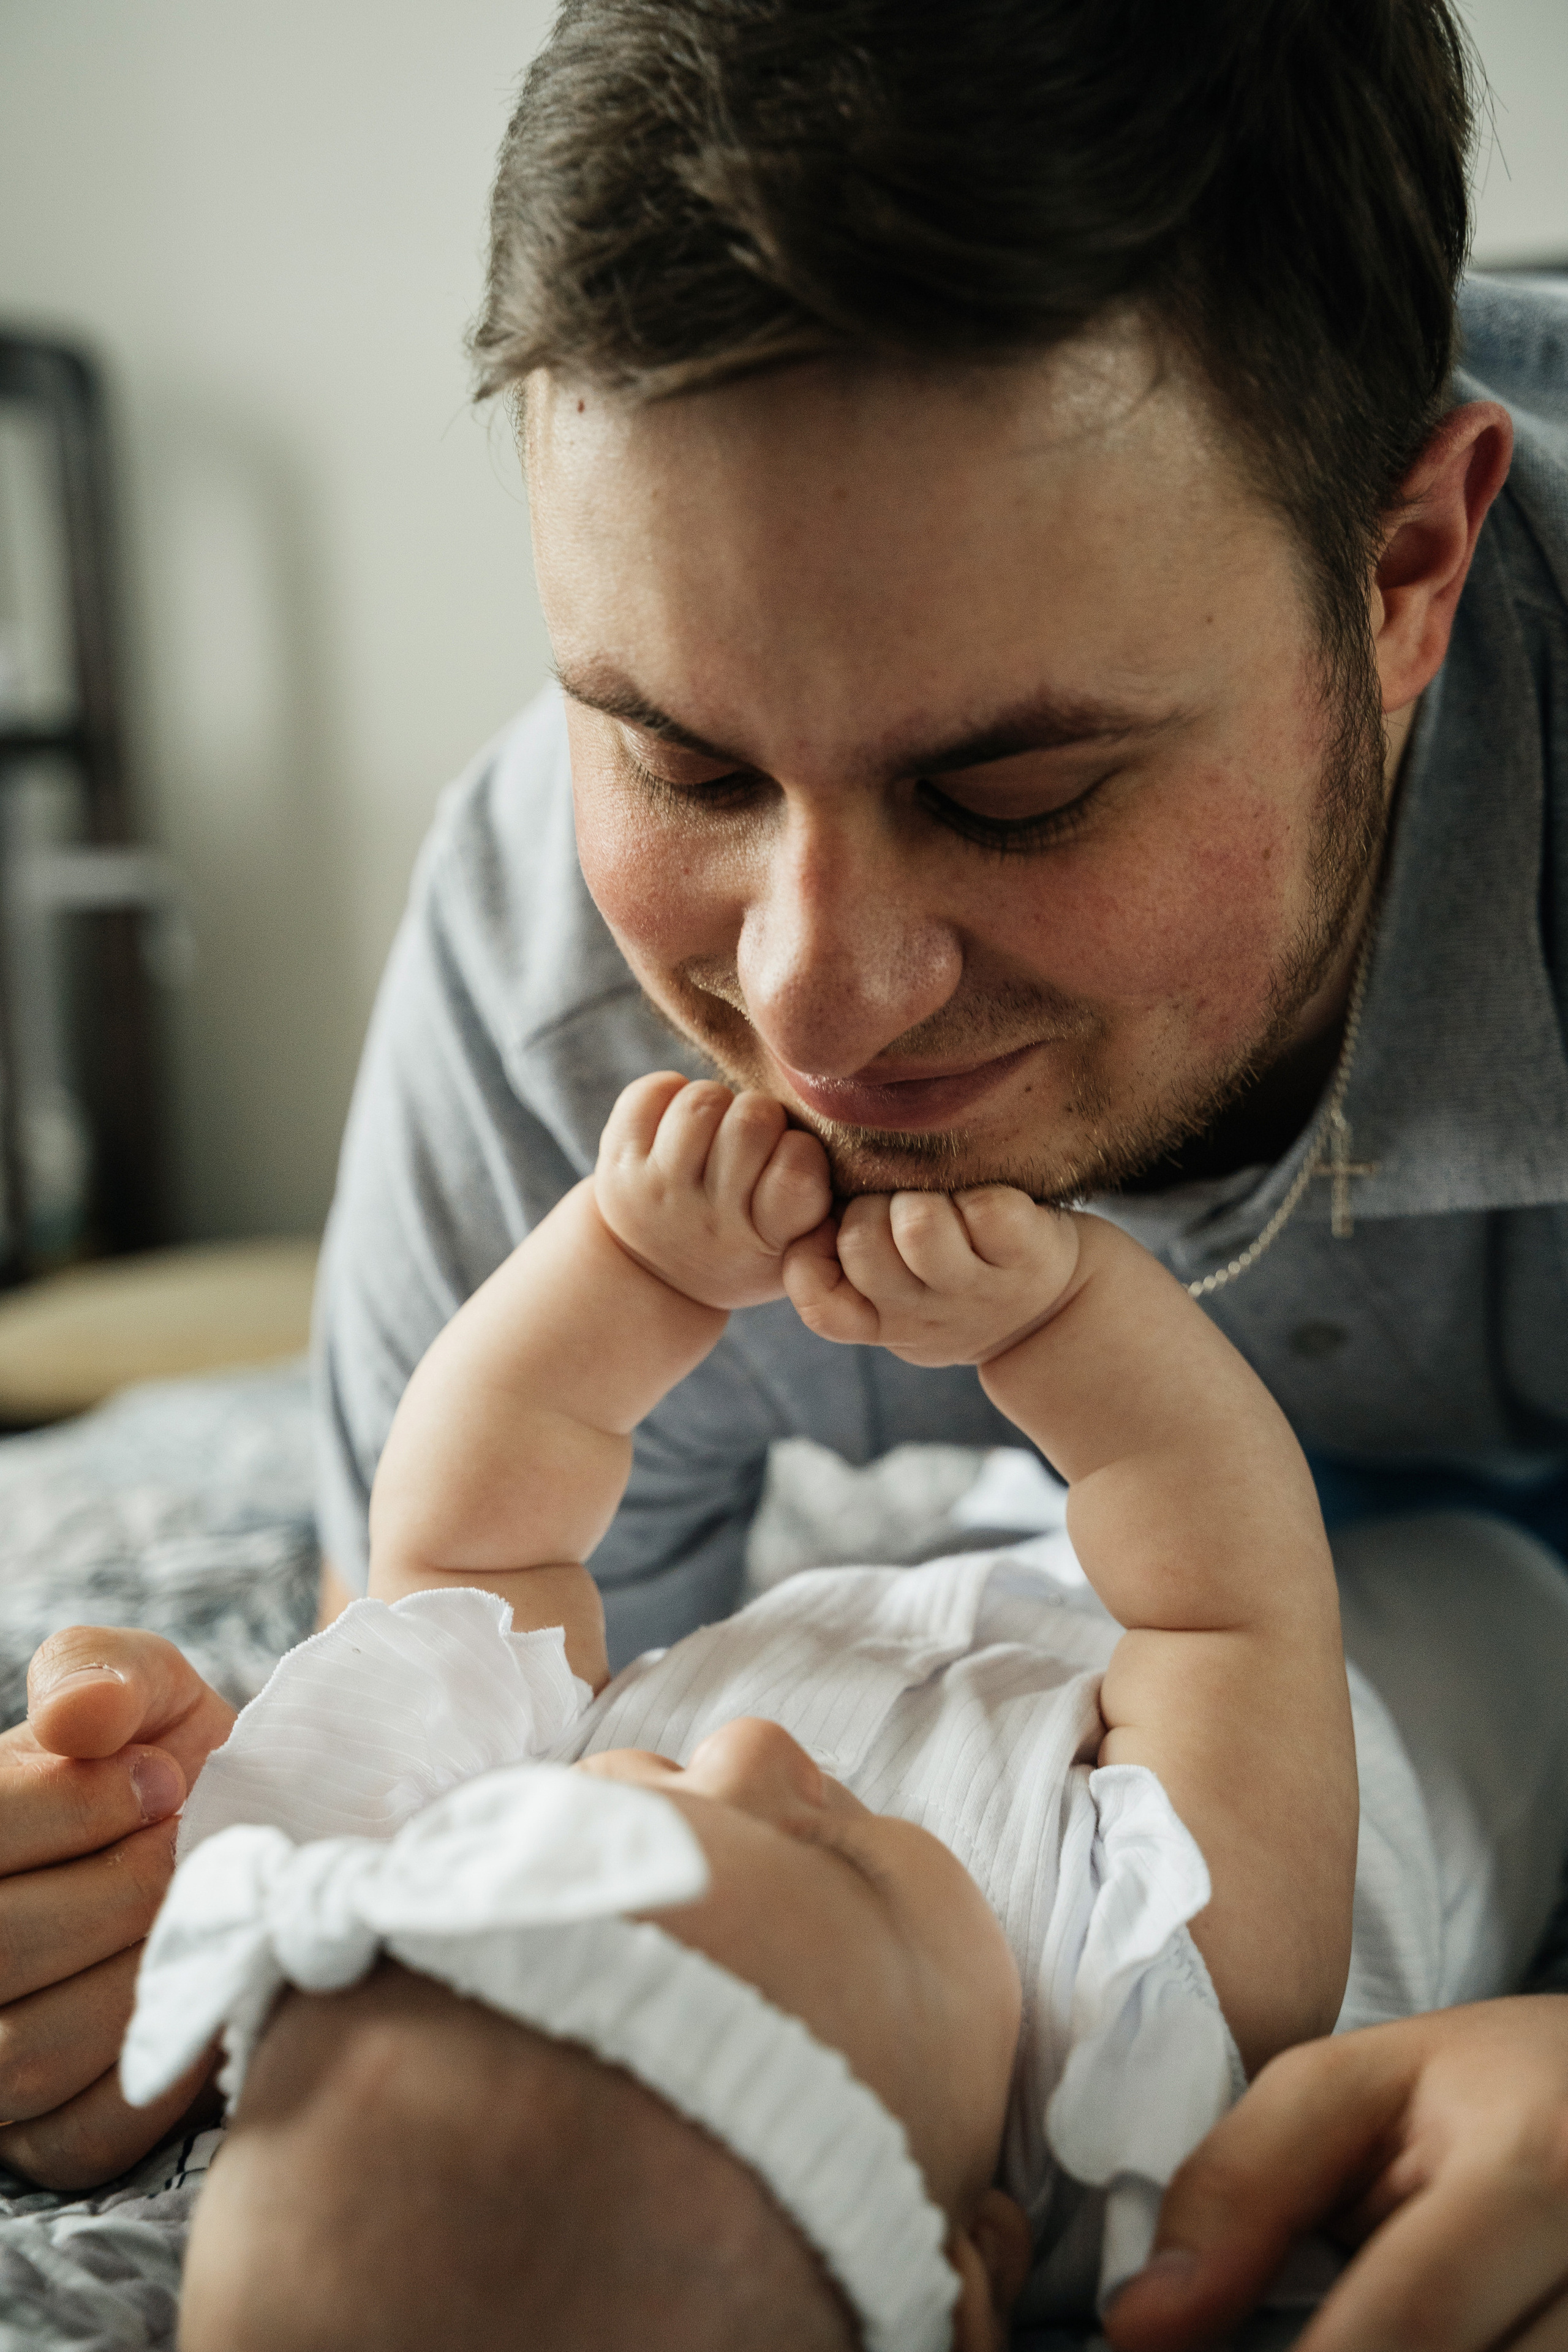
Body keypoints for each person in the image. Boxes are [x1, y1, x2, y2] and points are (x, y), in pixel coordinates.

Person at [2, 2, 1567, 2342]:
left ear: (1413, 571)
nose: (816, 1007)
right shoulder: (553, 999)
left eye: (1021, 791)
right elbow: (503, 1778)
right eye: (677, 760)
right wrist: (115, 1933)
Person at [113, 1069, 1568, 2340]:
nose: (746, 1754)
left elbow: (470, 1546)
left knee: (991, 1530)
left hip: (993, 1591)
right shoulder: (1150, 2061)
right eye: (834, 1858)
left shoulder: (486, 1891)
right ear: (974, 2267)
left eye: (649, 1786)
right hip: (1448, 1639)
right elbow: (1225, 1590)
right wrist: (1062, 1318)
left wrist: (630, 1266)